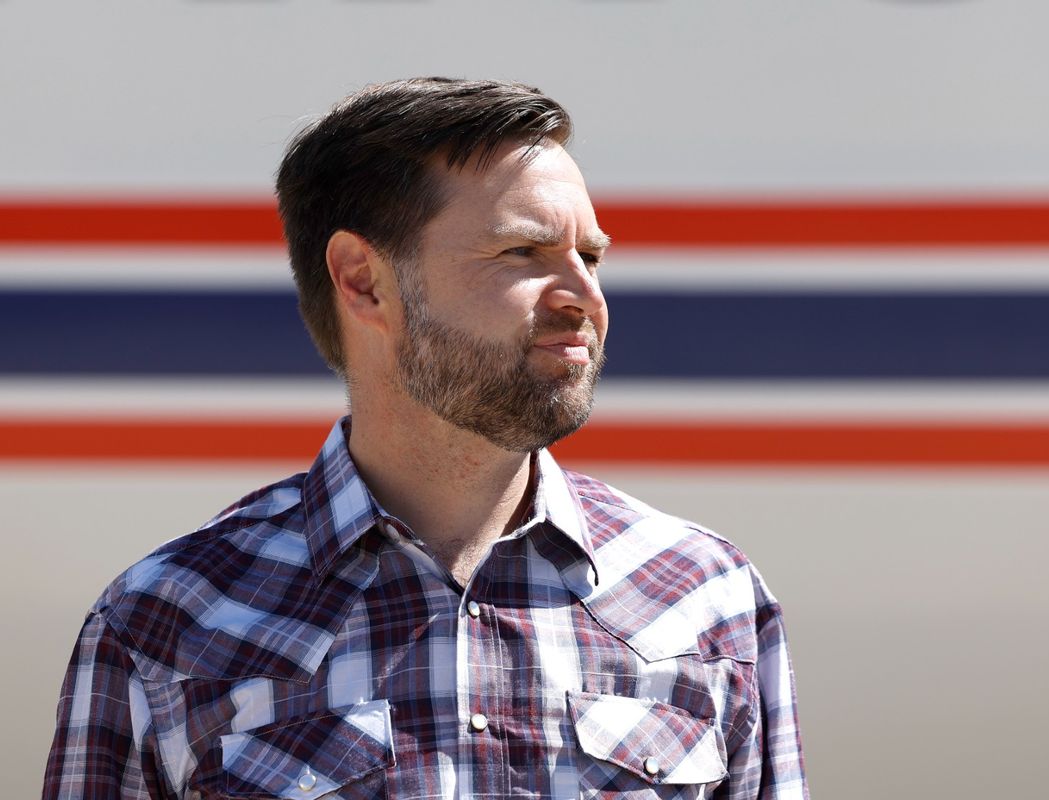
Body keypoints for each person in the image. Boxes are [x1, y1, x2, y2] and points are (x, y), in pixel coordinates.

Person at [43, 77, 808, 799]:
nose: (586, 296)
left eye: (591, 256)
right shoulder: (164, 621)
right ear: (364, 281)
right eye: (524, 252)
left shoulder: (710, 597)